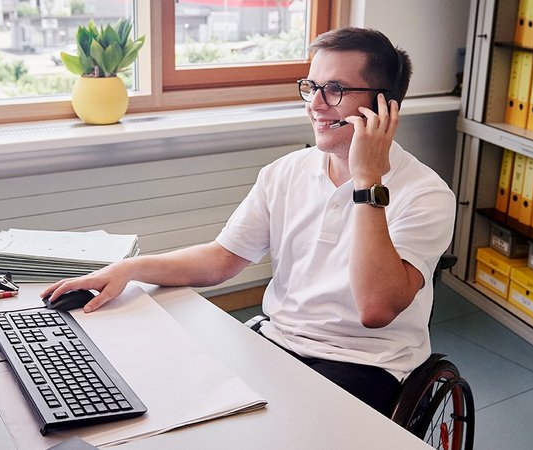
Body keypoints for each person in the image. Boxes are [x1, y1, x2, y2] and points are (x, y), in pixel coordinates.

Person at [41, 27, 456, 416]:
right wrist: (130, 269)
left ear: (386, 106)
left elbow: (376, 308)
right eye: (311, 87)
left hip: (366, 363)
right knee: (173, 395)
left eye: (335, 90)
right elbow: (222, 259)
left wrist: (367, 181)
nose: (314, 104)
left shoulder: (426, 194)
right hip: (280, 340)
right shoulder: (284, 172)